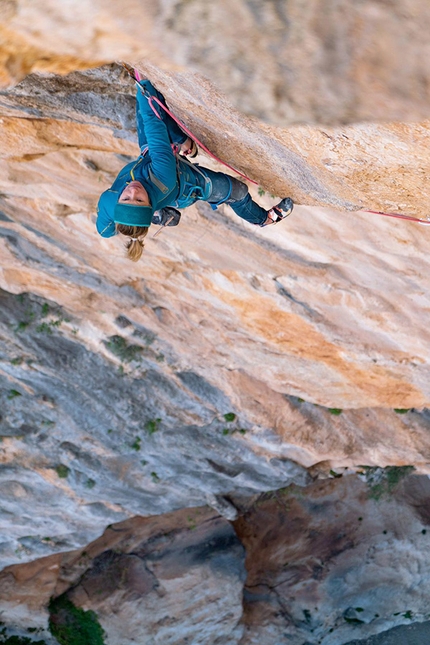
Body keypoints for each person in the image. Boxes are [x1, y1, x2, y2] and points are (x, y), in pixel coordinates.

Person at [96, 79, 293, 261]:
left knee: (153, 111)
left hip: (149, 160)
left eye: (126, 199)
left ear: (117, 204)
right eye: (139, 200)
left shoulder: (109, 202)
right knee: (238, 192)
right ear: (148, 203)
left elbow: (104, 231)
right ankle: (261, 219)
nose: (132, 191)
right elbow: (153, 125)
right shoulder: (163, 179)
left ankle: (157, 212)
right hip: (185, 185)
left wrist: (130, 229)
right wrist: (143, 88)